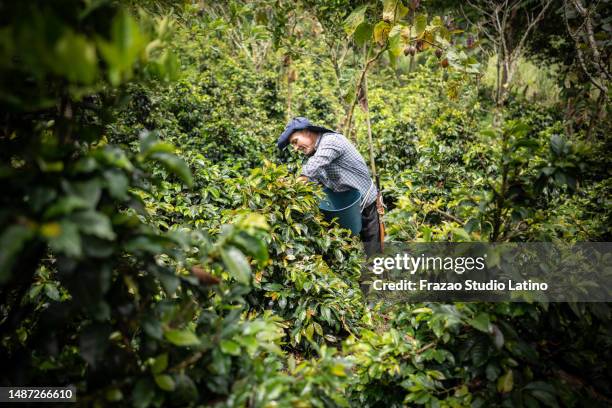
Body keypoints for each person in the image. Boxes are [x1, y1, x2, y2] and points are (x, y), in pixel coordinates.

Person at [277, 117, 381, 256]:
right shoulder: (314, 152)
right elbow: (314, 181)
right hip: (347, 209)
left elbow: (314, 166)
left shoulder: (331, 141)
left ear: (307, 131)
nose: (296, 148)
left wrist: (292, 187)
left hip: (367, 206)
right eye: (293, 145)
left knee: (374, 254)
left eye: (296, 142)